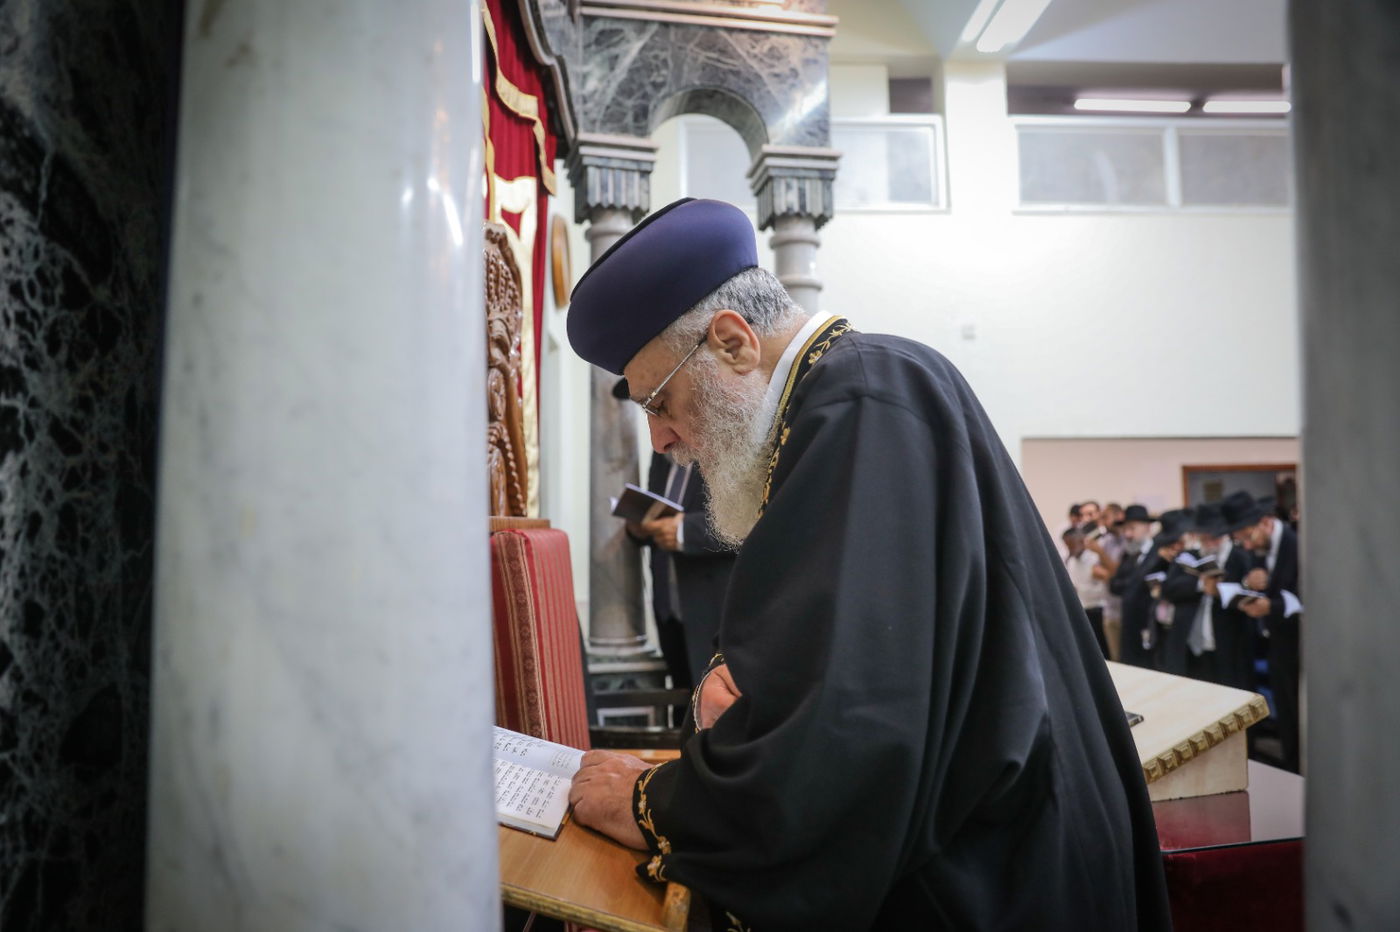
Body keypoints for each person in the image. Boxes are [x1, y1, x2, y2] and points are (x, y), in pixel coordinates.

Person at [563, 198, 1170, 930]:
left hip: (991, 873)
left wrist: (651, 806)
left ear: (732, 343)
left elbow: (849, 733)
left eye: (660, 400)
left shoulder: (861, 403)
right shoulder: (857, 391)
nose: (661, 439)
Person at [627, 443, 737, 688]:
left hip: (710, 605)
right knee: (680, 701)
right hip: (669, 607)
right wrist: (638, 528)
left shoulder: (725, 447)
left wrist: (685, 531)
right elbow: (661, 513)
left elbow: (746, 522)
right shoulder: (662, 453)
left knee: (710, 702)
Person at [1222, 489, 1301, 772]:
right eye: (1239, 539)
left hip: (1304, 649)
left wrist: (1272, 607)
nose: (1244, 544)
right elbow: (1258, 583)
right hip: (1277, 645)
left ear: (1265, 522)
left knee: (1304, 721)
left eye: (1247, 536)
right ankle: (1293, 773)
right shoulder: (1259, 547)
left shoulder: (1298, 545)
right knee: (1288, 720)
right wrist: (1248, 583)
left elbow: (1313, 598)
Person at [1109, 504, 1162, 669]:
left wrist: (1131, 583)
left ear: (1147, 527)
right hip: (1129, 625)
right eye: (1125, 529)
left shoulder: (1159, 554)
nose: (1128, 534)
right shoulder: (1128, 555)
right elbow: (1114, 586)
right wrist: (1134, 582)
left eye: (1132, 528)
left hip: (1151, 626)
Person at [1062, 526, 1109, 658]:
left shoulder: (1094, 559)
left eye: (1072, 544)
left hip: (1097, 609)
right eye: (1067, 545)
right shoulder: (1071, 561)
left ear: (1081, 541)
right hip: (1083, 609)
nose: (1070, 548)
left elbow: (1107, 580)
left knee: (1103, 650)